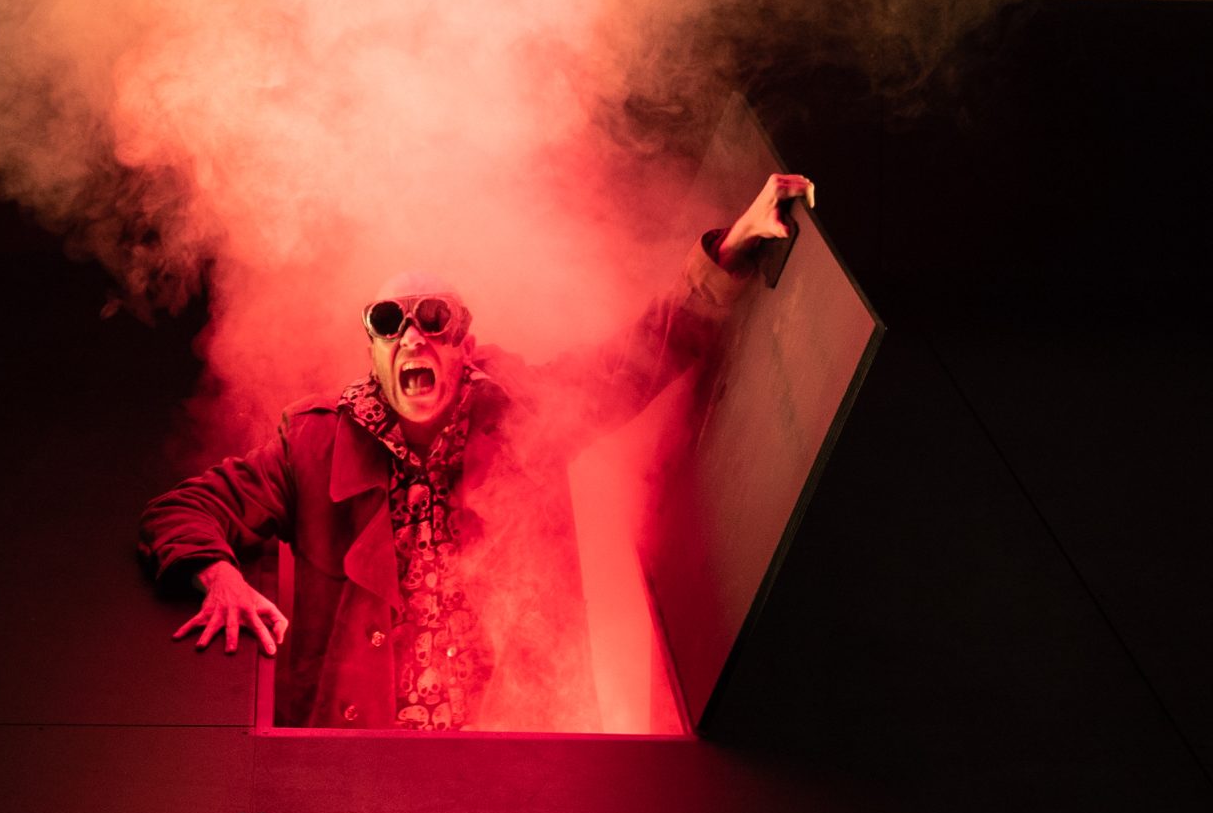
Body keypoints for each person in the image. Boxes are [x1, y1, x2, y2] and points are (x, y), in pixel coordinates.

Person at [138, 174, 812, 731]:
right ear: (372, 350)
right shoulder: (314, 443)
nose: (412, 337)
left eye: (433, 319)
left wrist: (729, 251)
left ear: (464, 342)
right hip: (359, 769)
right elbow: (185, 509)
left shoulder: (519, 415)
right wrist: (217, 574)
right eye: (388, 322)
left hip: (501, 756)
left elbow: (634, 364)